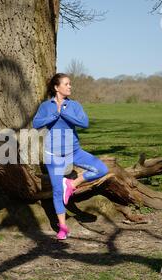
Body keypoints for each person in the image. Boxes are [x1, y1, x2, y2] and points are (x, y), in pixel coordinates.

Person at [32, 73, 109, 240]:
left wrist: (65, 114)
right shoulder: (46, 106)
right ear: (56, 87)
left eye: (70, 84)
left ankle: (72, 183)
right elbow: (36, 124)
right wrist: (54, 115)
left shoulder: (74, 105)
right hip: (53, 155)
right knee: (57, 191)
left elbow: (85, 123)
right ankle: (63, 227)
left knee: (102, 169)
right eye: (66, 84)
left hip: (74, 151)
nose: (70, 87)